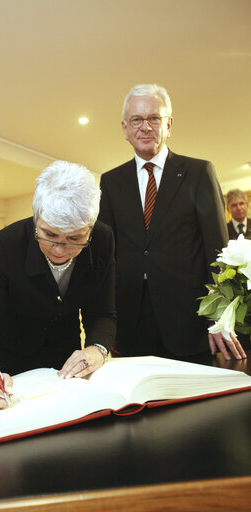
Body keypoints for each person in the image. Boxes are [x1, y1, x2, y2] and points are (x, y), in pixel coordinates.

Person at [98, 83, 246, 362]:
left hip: (190, 323)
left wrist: (217, 317)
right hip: (132, 327)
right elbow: (107, 257)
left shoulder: (198, 172)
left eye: (154, 118)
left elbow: (217, 251)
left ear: (169, 125)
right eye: (137, 120)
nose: (145, 127)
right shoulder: (111, 181)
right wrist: (108, 325)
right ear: (125, 129)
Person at [0, 161, 116, 410]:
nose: (60, 249)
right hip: (13, 374)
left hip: (67, 371)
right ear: (36, 219)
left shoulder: (103, 238)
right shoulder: (4, 247)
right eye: (49, 235)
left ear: (90, 229)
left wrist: (97, 349)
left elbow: (102, 314)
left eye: (75, 238)